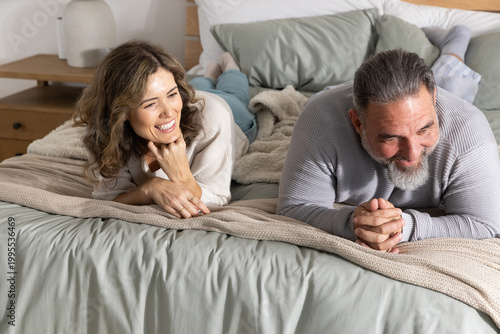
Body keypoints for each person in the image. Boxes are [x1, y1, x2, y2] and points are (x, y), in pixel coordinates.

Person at [277, 48, 500, 253]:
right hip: (338, 97)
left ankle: (454, 47)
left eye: (425, 129)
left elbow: (486, 224)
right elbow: (295, 207)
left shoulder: (470, 131)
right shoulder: (320, 119)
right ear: (357, 123)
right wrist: (354, 224)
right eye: (391, 137)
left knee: (455, 81)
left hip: (452, 100)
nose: (412, 153)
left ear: (434, 100)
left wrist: (402, 227)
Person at [74, 40, 248, 218]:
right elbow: (108, 200)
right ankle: (209, 74)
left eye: (173, 93)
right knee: (201, 86)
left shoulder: (214, 117)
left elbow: (216, 197)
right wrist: (148, 189)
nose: (168, 112)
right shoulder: (105, 133)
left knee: (235, 93)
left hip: (235, 117)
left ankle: (230, 68)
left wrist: (182, 176)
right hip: (193, 99)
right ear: (122, 112)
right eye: (150, 104)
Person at [189, 52, 257, 143]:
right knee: (234, 94)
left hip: (198, 102)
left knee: (197, 91)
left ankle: (212, 75)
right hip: (231, 118)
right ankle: (220, 73)